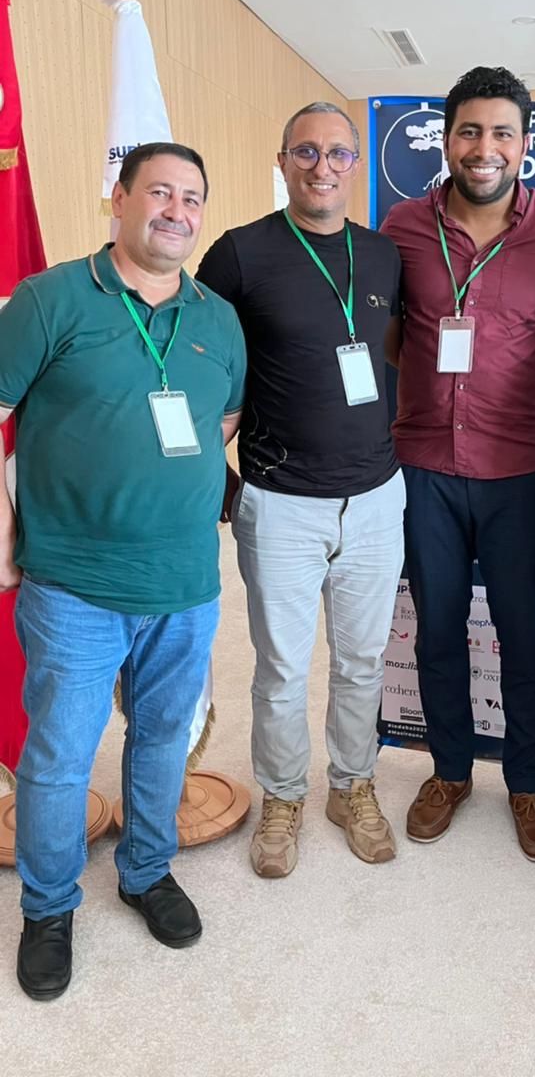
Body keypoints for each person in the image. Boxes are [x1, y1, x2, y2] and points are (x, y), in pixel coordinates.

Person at [0, 143, 247, 1000]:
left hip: (185, 581)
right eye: (160, 193)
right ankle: (48, 907)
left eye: (192, 198)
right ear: (118, 198)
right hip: (74, 582)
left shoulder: (217, 317)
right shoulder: (50, 299)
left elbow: (222, 422)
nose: (176, 211)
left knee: (162, 741)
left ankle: (146, 872)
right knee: (63, 755)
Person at [381, 66, 535, 859]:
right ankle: (449, 770)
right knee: (436, 629)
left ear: (525, 144)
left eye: (502, 132)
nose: (485, 147)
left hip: (523, 469)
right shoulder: (402, 225)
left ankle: (531, 784)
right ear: (447, 139)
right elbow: (393, 333)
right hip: (425, 465)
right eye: (470, 130)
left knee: (525, 633)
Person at [197, 102, 405, 877]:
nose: (324, 166)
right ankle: (283, 793)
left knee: (361, 660)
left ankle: (350, 784)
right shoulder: (240, 254)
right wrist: (205, 469)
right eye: (306, 152)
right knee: (283, 666)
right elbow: (199, 359)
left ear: (356, 165)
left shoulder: (384, 256)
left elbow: (402, 359)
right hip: (280, 500)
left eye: (339, 154)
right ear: (282, 162)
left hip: (378, 498)